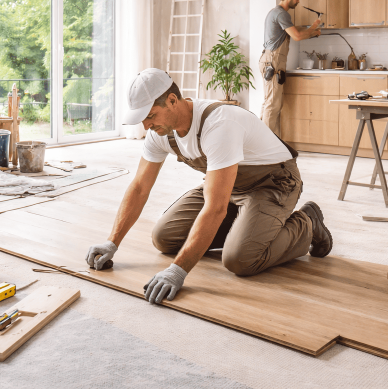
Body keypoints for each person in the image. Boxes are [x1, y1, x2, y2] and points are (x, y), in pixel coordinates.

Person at [85, 68, 333, 304]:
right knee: (164, 238)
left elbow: (215, 208)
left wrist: (178, 270)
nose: (146, 126)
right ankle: (248, 226)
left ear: (172, 100)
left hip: (272, 183)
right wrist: (112, 242)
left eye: (150, 116)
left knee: (240, 260)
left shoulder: (219, 124)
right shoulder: (161, 132)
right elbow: (140, 187)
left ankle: (308, 223)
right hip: (228, 187)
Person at [260, 0, 322, 135]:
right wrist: (314, 29)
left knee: (270, 102)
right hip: (273, 61)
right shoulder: (281, 13)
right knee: (272, 105)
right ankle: (265, 146)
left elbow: (295, 31)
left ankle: (261, 141)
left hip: (271, 60)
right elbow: (297, 36)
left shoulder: (277, 13)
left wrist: (313, 29)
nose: (298, 1)